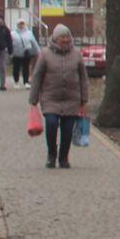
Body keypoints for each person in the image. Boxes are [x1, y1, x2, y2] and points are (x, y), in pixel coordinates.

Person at [28, 23, 89, 169]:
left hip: (71, 99)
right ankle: (51, 155)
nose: (65, 39)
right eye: (62, 37)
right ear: (55, 38)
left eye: (67, 36)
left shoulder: (76, 54)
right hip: (51, 98)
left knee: (67, 130)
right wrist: (33, 99)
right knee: (51, 124)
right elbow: (37, 76)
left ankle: (63, 157)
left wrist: (84, 99)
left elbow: (83, 77)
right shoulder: (45, 54)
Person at [11, 19, 40, 86]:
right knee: (16, 68)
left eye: (22, 24)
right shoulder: (13, 33)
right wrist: (9, 51)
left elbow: (34, 42)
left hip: (26, 53)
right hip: (16, 53)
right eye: (20, 24)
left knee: (26, 68)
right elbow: (10, 43)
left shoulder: (29, 33)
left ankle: (26, 82)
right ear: (17, 25)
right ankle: (16, 82)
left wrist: (38, 51)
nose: (21, 25)